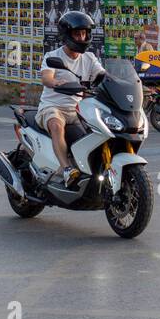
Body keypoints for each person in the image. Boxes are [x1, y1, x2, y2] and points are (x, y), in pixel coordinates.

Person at [38, 11, 105, 189]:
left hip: (78, 109)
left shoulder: (89, 58)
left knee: (98, 132)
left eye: (84, 33)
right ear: (67, 35)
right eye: (77, 33)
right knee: (56, 125)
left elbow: (102, 75)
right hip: (53, 107)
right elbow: (46, 77)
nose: (82, 37)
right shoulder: (53, 56)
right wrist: (54, 82)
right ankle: (66, 169)